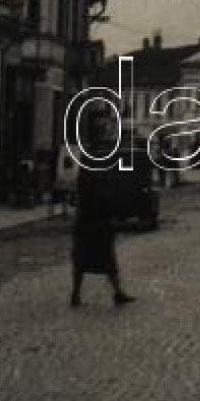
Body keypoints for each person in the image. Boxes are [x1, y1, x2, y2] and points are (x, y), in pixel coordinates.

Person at [70, 126, 137, 308]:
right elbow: (100, 192)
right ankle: (82, 294)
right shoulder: (94, 168)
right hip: (95, 220)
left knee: (87, 260)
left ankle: (83, 294)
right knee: (101, 259)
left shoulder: (91, 165)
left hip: (88, 220)